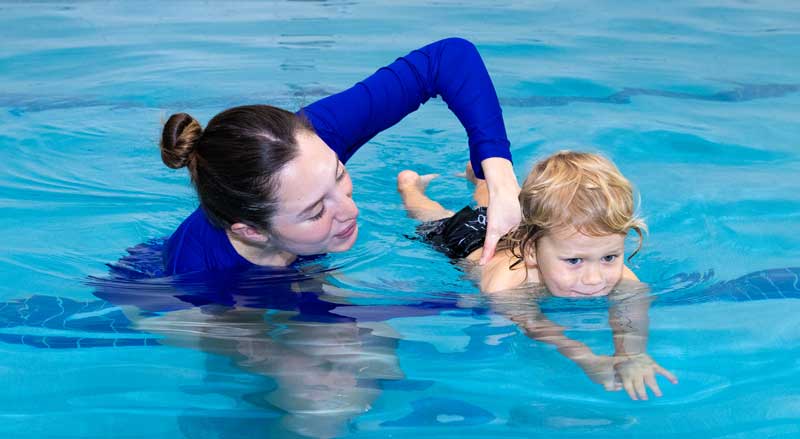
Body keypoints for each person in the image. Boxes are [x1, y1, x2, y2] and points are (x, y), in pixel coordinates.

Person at [159, 37, 521, 276]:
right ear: (251, 231)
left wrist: (502, 183)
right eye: (316, 210)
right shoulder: (199, 274)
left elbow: (449, 58)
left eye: (338, 175)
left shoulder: (311, 143)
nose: (351, 210)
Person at [397, 150, 678, 400]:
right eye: (574, 261)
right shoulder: (506, 286)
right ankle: (411, 187)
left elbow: (632, 304)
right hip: (468, 239)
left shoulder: (601, 260)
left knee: (494, 202)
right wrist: (587, 359)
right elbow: (535, 324)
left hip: (522, 225)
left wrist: (631, 354)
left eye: (609, 257)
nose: (594, 279)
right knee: (432, 216)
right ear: (531, 251)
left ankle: (481, 177)